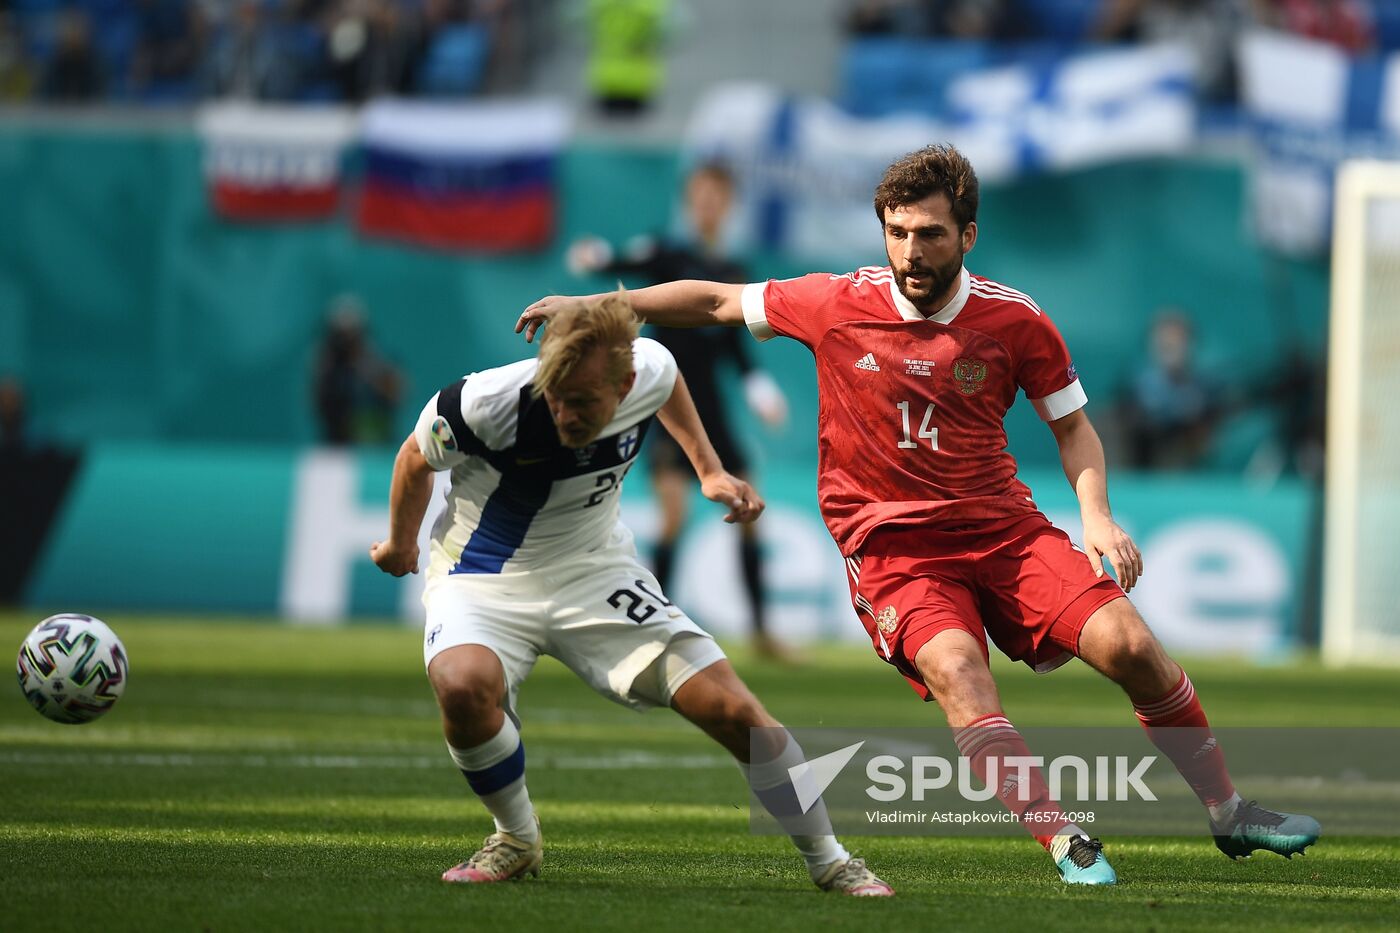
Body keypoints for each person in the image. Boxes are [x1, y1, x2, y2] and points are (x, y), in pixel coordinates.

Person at [518, 145, 1321, 885]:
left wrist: (1098, 516)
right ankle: (1063, 837)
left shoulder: (1016, 321)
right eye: (897, 232)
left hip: (1004, 530)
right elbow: (720, 300)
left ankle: (1228, 811)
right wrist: (603, 304)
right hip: (895, 550)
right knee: (958, 674)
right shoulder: (835, 301)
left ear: (967, 234)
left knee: (1133, 646)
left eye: (929, 233)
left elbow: (1072, 426)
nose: (910, 251)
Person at [369, 293, 891, 895]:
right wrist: (400, 543)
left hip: (596, 572)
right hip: (482, 576)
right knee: (462, 687)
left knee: (734, 710)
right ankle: (515, 837)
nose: (565, 414)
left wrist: (710, 470)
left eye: (584, 402)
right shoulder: (483, 402)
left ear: (622, 387)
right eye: (557, 397)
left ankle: (830, 859)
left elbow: (669, 386)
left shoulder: (651, 368)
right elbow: (414, 456)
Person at [567, 162, 791, 659]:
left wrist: (760, 388)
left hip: (714, 409)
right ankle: (655, 627)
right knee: (674, 516)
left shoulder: (735, 272)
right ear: (691, 201)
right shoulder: (669, 254)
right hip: (668, 404)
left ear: (728, 204)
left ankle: (762, 632)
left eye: (718, 195)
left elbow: (738, 347)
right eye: (701, 195)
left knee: (752, 513)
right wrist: (595, 258)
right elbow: (628, 263)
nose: (709, 203)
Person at [1117, 309, 1222, 470]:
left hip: (1186, 469)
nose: (1171, 350)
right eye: (1165, 345)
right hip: (1141, 466)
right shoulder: (1134, 388)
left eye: (1177, 343)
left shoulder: (1204, 391)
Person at [312, 295, 402, 446]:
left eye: (352, 336)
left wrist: (367, 369)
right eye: (341, 337)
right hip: (336, 444)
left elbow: (398, 391)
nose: (346, 343)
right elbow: (318, 403)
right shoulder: (327, 366)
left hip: (376, 443)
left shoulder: (376, 361)